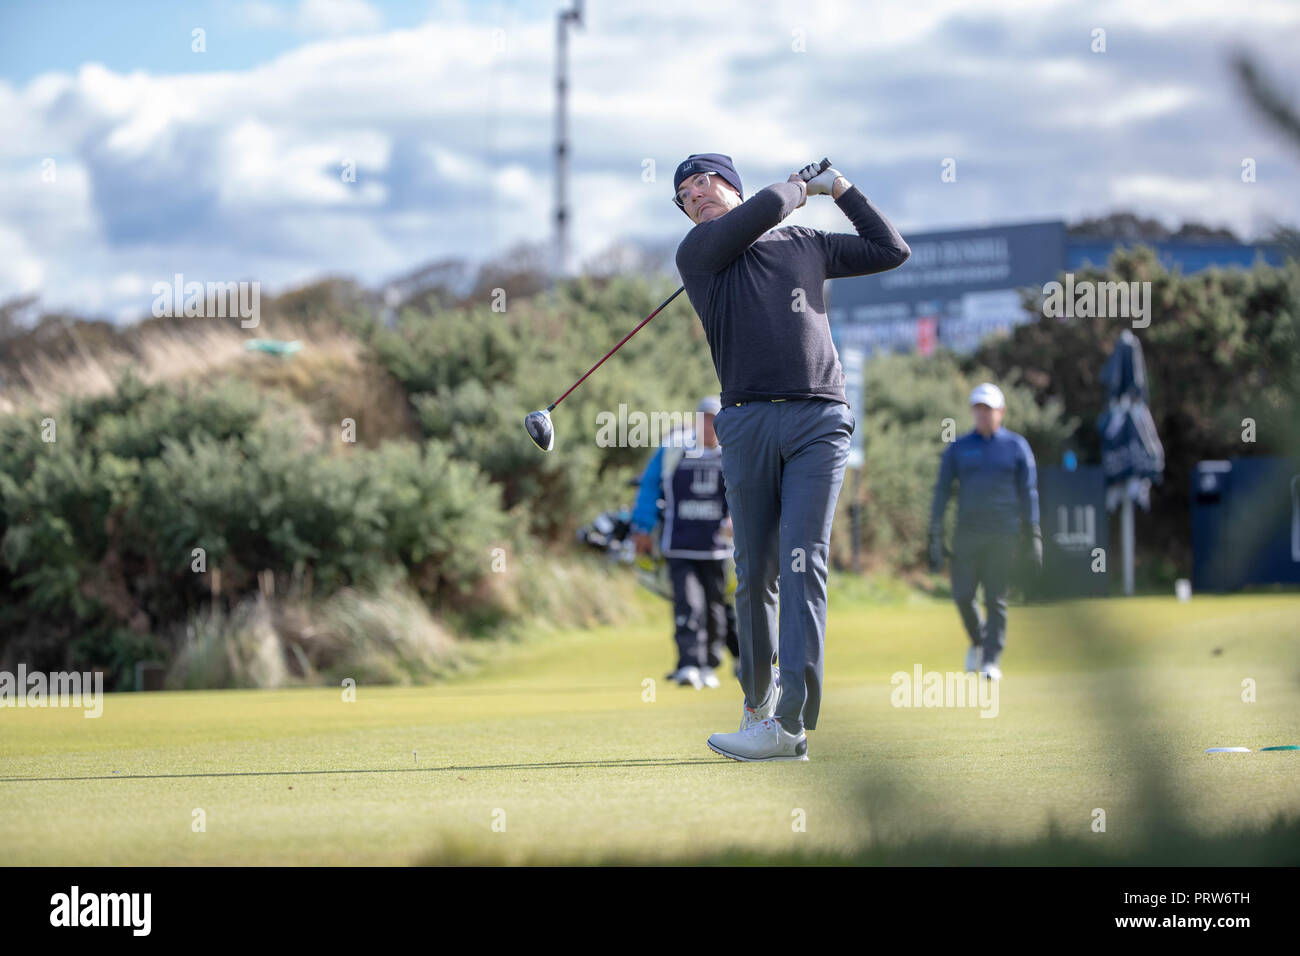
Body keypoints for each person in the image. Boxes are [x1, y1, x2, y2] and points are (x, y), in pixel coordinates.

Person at [670, 152, 910, 761]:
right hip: (746, 423)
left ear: (732, 184)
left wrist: (842, 189)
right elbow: (773, 204)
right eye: (684, 194)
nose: (694, 195)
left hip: (819, 420)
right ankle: (757, 709)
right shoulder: (699, 253)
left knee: (804, 564)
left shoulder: (806, 241)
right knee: (755, 574)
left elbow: (890, 249)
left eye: (703, 182)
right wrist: (802, 184)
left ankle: (790, 724)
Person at [928, 383, 1042, 681]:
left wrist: (1034, 535)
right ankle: (979, 641)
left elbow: (1029, 493)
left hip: (1003, 536)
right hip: (967, 536)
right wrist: (935, 532)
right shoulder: (959, 447)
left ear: (1001, 412)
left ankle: (991, 659)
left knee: (996, 599)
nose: (982, 414)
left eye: (988, 409)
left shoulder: (1016, 447)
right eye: (977, 408)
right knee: (963, 595)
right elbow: (942, 491)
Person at [630, 396, 738, 689]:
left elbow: (746, 491)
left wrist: (736, 522)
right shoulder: (674, 448)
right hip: (679, 544)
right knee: (688, 606)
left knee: (716, 607)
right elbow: (650, 486)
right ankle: (689, 663)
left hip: (717, 550)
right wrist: (642, 527)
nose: (710, 426)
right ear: (697, 420)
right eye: (705, 418)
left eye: (715, 419)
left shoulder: (733, 450)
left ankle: (710, 665)